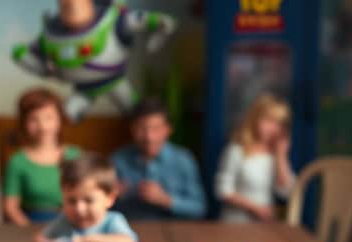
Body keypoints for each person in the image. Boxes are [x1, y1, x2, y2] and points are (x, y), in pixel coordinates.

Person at [12, 0, 175, 121]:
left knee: (137, 112)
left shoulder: (113, 20)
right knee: (65, 116)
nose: (70, 0)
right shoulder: (50, 34)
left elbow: (142, 20)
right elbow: (34, 57)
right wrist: (25, 58)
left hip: (115, 82)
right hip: (83, 90)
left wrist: (161, 24)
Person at [113, 98, 207, 220]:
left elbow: (199, 208)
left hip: (174, 231)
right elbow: (105, 210)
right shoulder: (118, 159)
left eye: (156, 128)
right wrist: (111, 196)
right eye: (142, 128)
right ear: (132, 129)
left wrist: (165, 200)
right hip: (128, 229)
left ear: (168, 130)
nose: (149, 137)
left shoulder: (183, 160)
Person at [33, 153, 138, 242]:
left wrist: (92, 240)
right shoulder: (64, 220)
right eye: (71, 201)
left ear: (109, 199)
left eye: (88, 201)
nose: (79, 209)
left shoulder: (112, 220)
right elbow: (39, 240)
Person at [3, 89, 81, 226]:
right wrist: (30, 231)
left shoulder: (75, 156)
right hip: (29, 227)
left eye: (49, 117)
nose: (43, 126)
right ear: (24, 123)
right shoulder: (17, 162)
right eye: (33, 119)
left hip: (72, 223)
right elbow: (10, 208)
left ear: (60, 119)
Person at [215, 93, 295, 223]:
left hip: (265, 224)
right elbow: (222, 190)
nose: (273, 128)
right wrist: (256, 208)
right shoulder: (236, 150)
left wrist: (281, 157)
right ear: (254, 119)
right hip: (235, 222)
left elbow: (286, 192)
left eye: (279, 123)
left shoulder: (277, 155)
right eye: (269, 121)